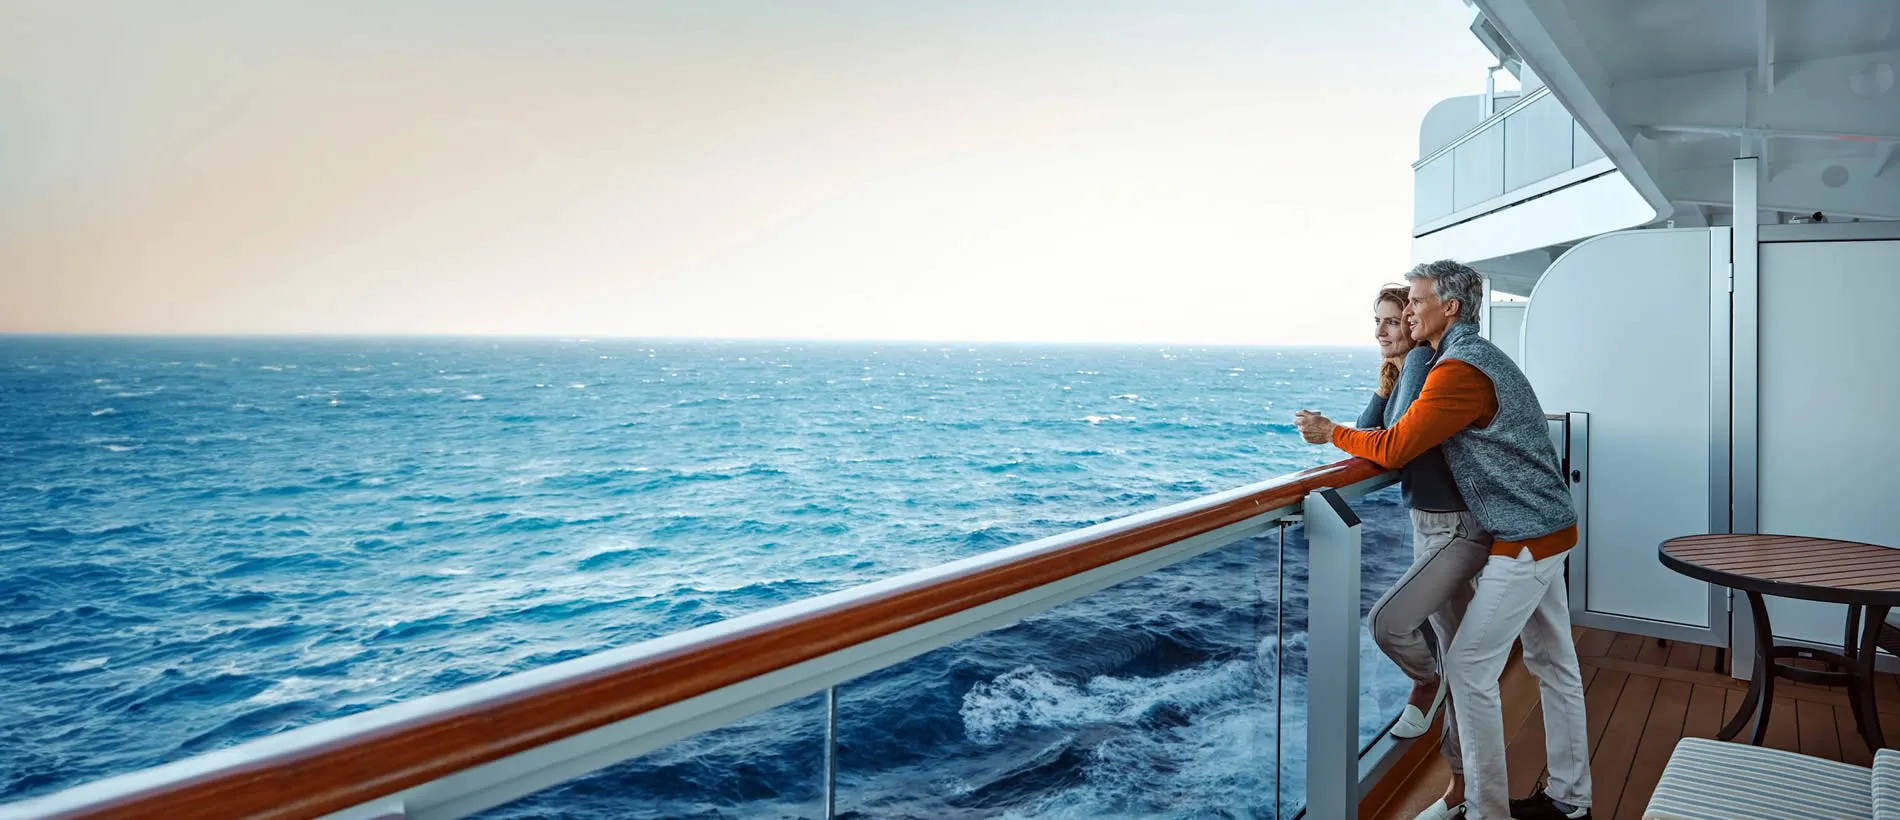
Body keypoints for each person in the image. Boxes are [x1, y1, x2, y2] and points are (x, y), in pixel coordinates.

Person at [1295, 260, 1591, 820]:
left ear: (1448, 309)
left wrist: (1328, 431)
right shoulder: (1472, 360)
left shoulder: (1457, 371)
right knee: (1553, 663)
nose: (1407, 311)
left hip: (1524, 536)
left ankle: (1483, 810)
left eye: (1414, 301)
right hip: (1548, 525)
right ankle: (1573, 802)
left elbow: (1394, 446)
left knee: (1470, 667)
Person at [1358, 284, 1490, 820]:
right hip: (1431, 522)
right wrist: (1386, 377)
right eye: (1378, 321)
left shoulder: (1420, 362)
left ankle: (1425, 682)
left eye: (1394, 319)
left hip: (1454, 525)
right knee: (1458, 654)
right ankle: (1462, 789)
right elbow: (1377, 434)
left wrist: (1397, 368)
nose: (1383, 331)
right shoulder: (1407, 368)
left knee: (1390, 625)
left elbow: (1386, 442)